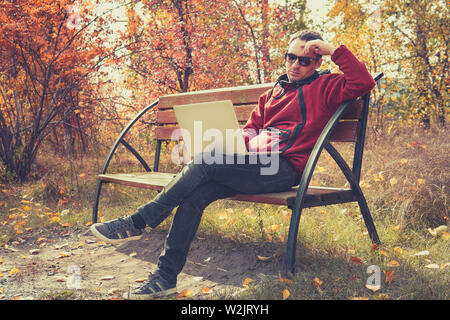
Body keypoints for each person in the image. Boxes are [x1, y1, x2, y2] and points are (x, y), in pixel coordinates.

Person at [90, 30, 376, 299]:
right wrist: (223, 145)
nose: (296, 65)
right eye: (291, 57)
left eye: (305, 60)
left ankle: (138, 222)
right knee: (195, 194)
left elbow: (363, 83)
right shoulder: (273, 94)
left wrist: (330, 49)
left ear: (317, 61)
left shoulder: (326, 87)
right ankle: (165, 278)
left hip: (282, 168)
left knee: (205, 165)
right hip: (252, 164)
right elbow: (250, 130)